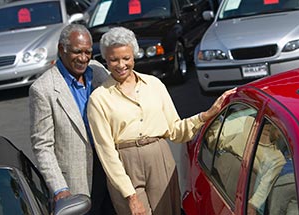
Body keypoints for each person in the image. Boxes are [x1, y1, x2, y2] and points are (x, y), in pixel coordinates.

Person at [87, 26, 235, 215]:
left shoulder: (154, 85)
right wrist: (129, 195)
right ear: (106, 60)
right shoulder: (98, 99)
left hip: (160, 158)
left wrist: (206, 115)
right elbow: (106, 151)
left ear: (134, 55)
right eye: (114, 60)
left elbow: (175, 130)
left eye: (126, 58)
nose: (121, 65)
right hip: (125, 165)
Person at [29, 24, 114, 214]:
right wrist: (60, 188)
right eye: (77, 52)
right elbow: (42, 145)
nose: (83, 59)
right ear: (62, 49)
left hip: (110, 170)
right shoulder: (43, 89)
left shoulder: (98, 71)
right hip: (77, 182)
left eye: (88, 52)